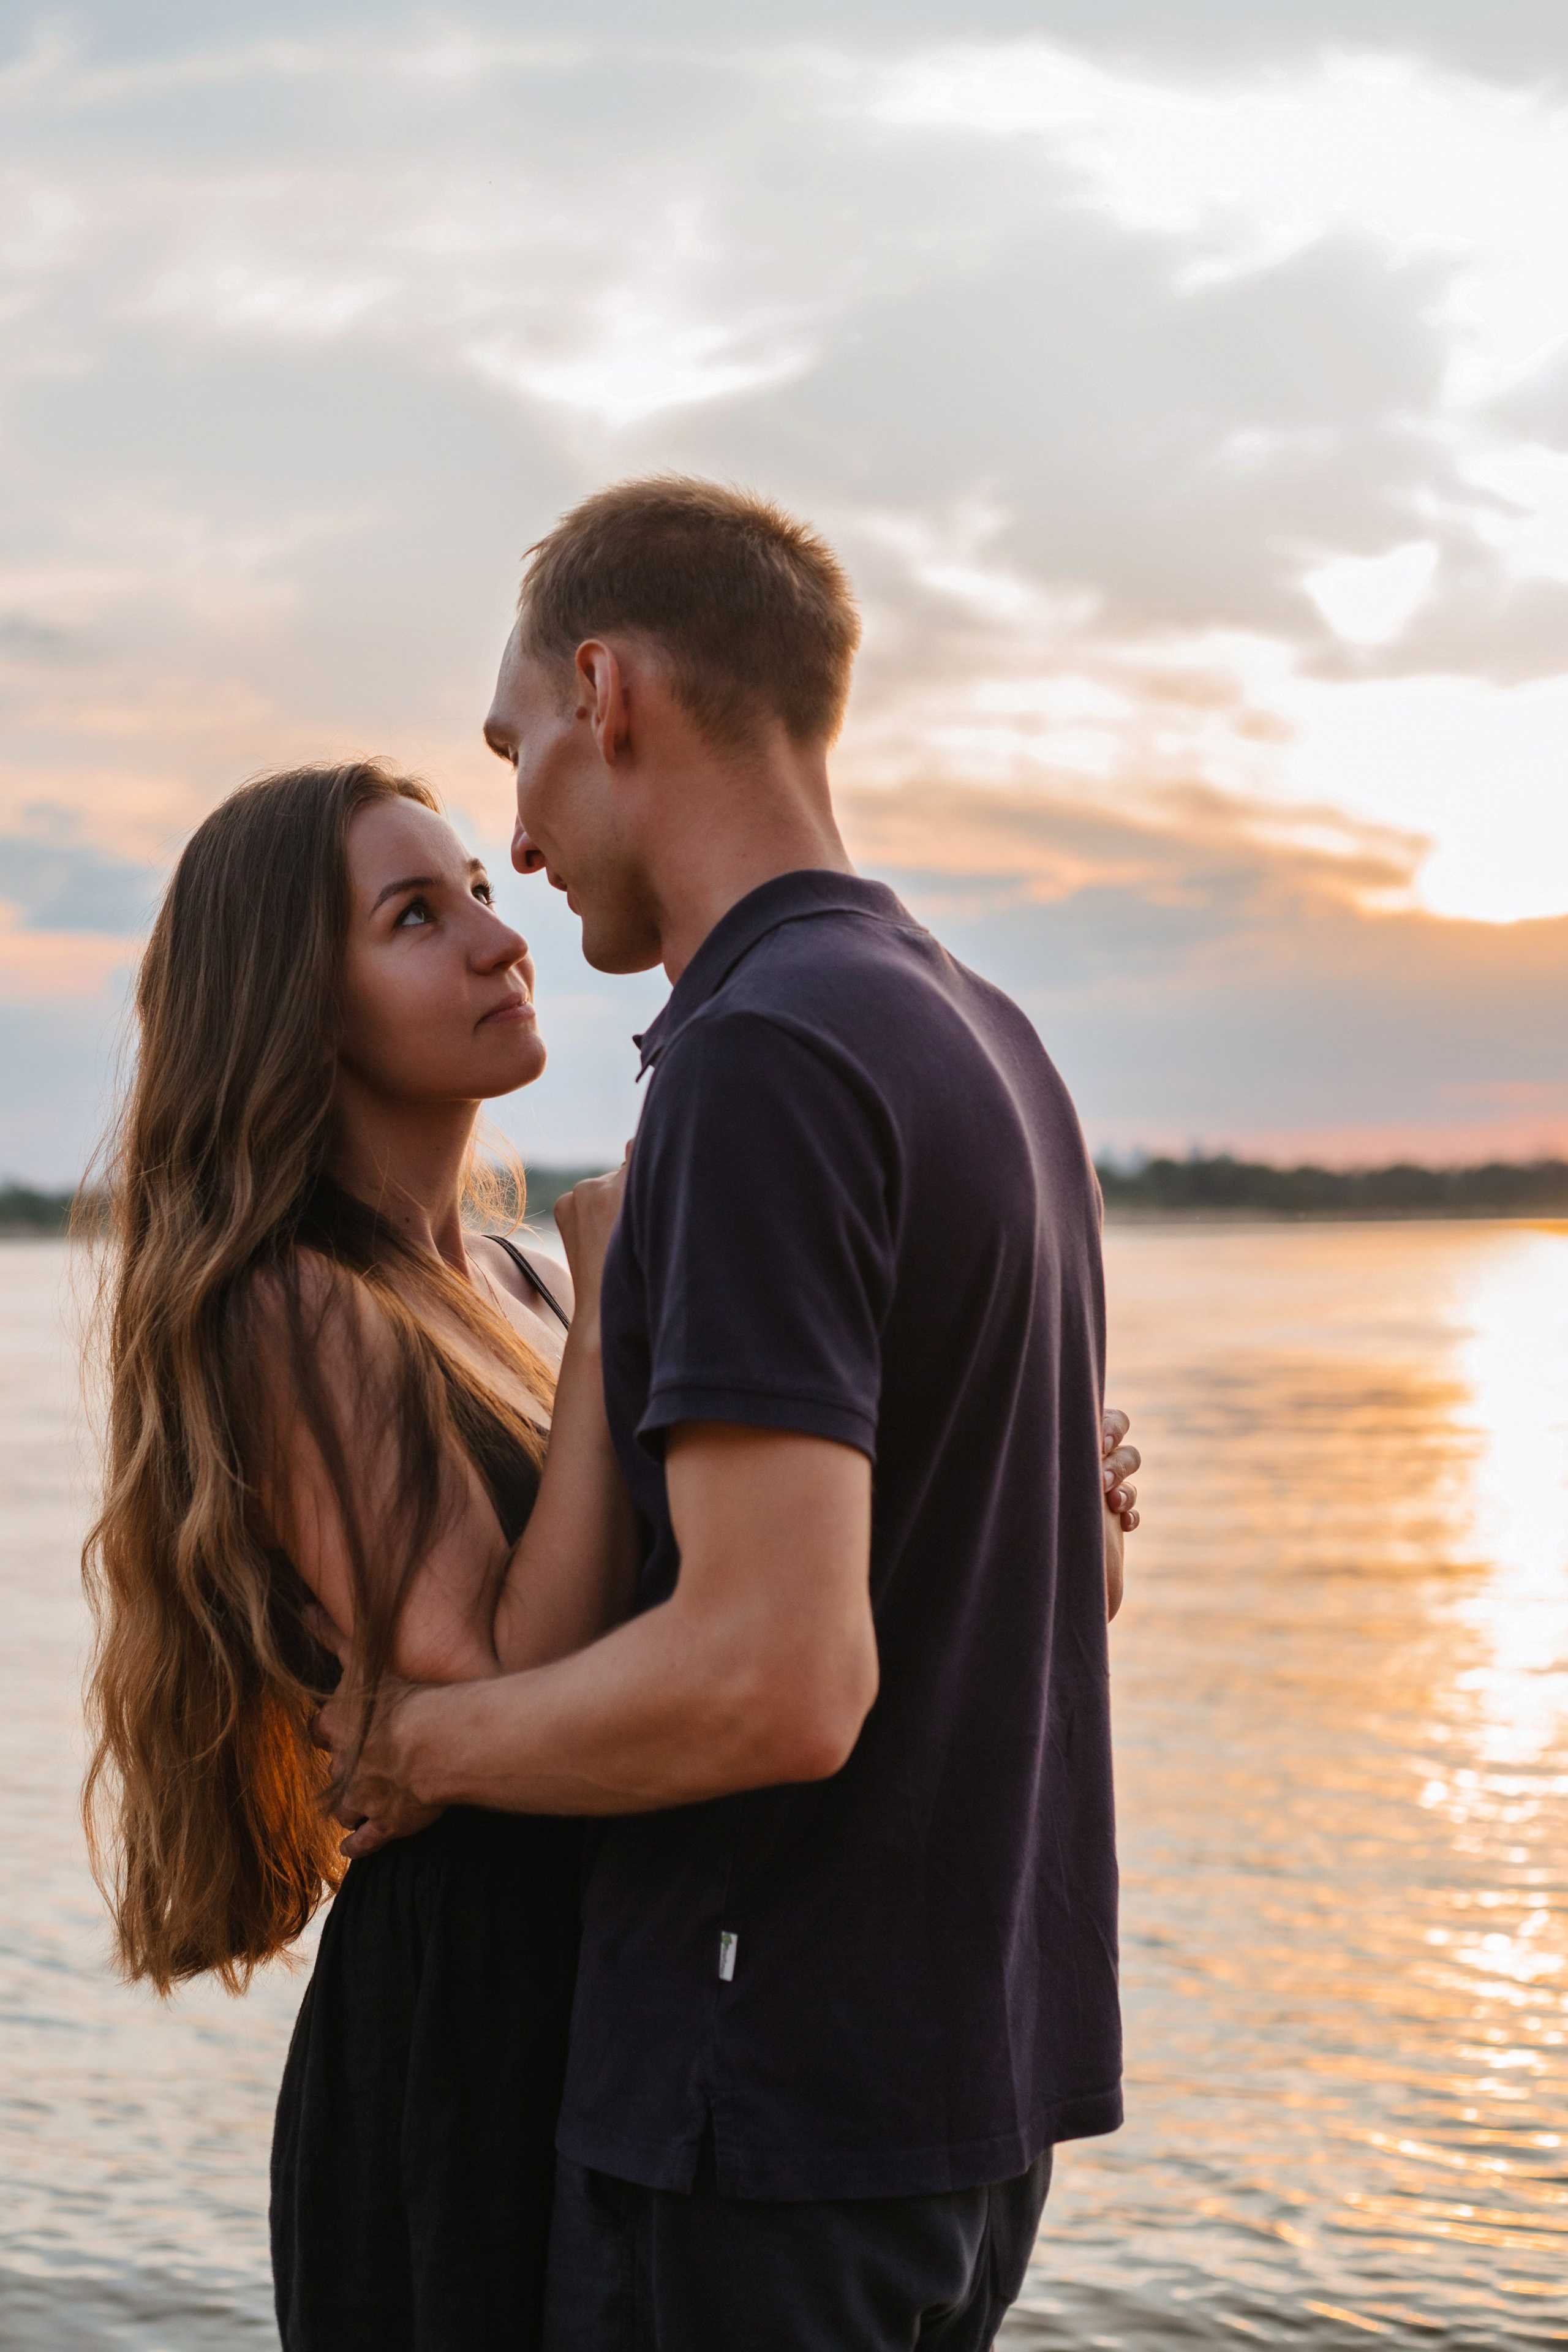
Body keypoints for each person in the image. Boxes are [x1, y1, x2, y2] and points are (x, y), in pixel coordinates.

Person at [319, 478, 1140, 2352]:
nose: (521, 841)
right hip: (964, 2101)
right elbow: (1048, 1583)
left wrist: (422, 1747)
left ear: (607, 694)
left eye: (517, 755)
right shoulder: (992, 1040)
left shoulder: (759, 1053)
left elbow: (780, 1678)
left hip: (760, 2117)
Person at [80, 758, 640, 2350]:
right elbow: (512, 1668)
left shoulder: (525, 1282)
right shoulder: (296, 1302)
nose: (500, 939)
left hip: (614, 1992)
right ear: (300, 1010)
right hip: (465, 2037)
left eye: (480, 891)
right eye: (415, 917)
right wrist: (620, 1320)